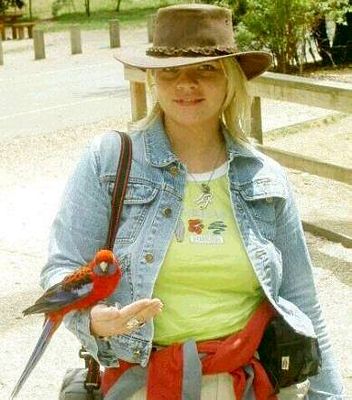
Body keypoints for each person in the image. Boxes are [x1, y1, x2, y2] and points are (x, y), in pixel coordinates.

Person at [40, 4, 345, 399]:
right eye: (171, 71)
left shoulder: (266, 177)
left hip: (251, 384)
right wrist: (92, 321)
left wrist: (329, 394)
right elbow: (62, 267)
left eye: (206, 69)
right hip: (143, 383)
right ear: (153, 80)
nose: (186, 84)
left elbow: (302, 301)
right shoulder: (108, 162)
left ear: (231, 80)